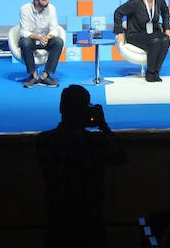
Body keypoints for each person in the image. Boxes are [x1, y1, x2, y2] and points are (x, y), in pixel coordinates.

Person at [36, 84, 127, 247]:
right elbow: (120, 157)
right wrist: (103, 125)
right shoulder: (95, 141)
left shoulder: (44, 140)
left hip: (57, 222)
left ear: (60, 108)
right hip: (90, 221)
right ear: (85, 111)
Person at [115, 0, 170, 82]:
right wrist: (120, 32)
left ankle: (156, 71)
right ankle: (150, 73)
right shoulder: (136, 3)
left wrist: (167, 28)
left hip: (152, 32)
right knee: (155, 41)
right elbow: (118, 13)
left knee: (165, 39)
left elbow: (165, 12)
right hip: (135, 34)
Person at [18, 0, 64, 88]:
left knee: (58, 42)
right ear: (36, 0)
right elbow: (24, 31)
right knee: (25, 42)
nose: (48, 1)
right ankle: (33, 76)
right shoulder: (24, 9)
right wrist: (38, 38)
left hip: (46, 40)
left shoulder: (51, 8)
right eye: (44, 0)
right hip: (31, 40)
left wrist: (47, 37)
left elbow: (54, 29)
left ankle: (45, 76)